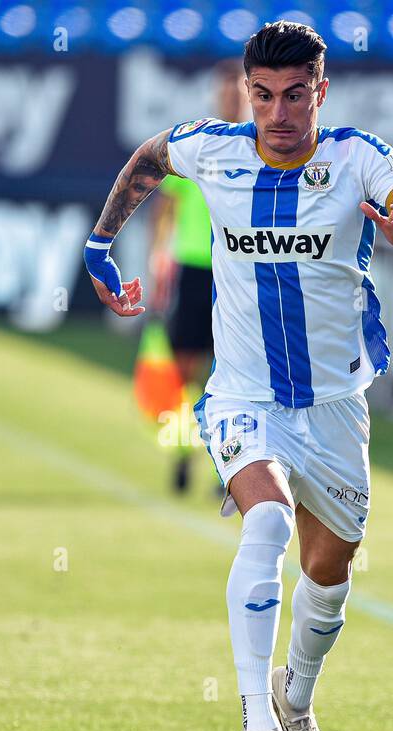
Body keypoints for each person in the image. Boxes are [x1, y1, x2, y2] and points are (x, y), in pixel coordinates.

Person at [83, 22, 393, 731]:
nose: (277, 111)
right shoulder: (213, 147)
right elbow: (148, 159)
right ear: (246, 90)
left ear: (321, 91)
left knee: (332, 569)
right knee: (268, 522)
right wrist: (98, 245)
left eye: (294, 95)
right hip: (243, 395)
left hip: (334, 406)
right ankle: (259, 727)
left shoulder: (359, 157)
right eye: (263, 94)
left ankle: (297, 697)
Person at [147, 60, 247, 493]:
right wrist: (157, 261)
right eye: (224, 91)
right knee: (185, 374)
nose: (230, 98)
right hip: (193, 270)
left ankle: (229, 468)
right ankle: (183, 452)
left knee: (233, 373)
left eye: (237, 91)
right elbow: (165, 207)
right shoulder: (199, 146)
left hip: (238, 273)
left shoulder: (259, 148)